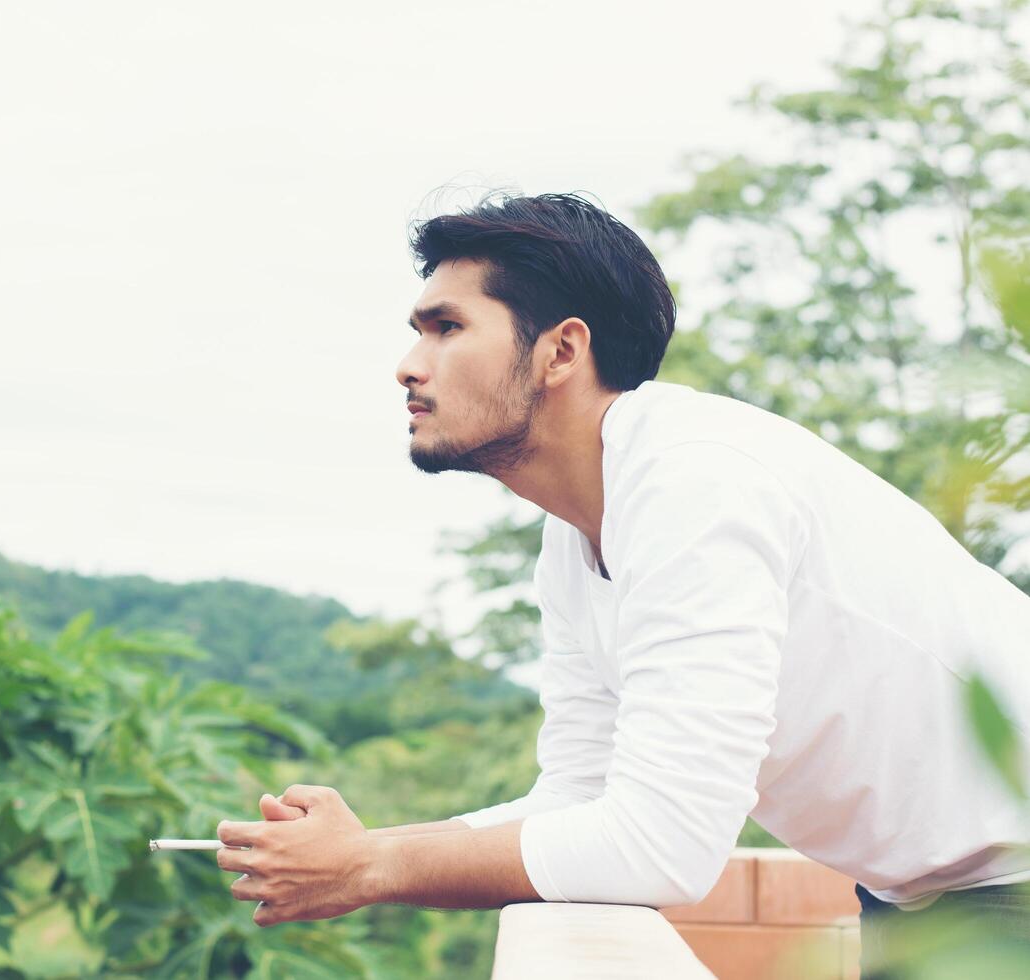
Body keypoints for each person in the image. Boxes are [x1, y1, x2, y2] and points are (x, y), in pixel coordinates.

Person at [213, 192, 1030, 973]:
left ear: (561, 351)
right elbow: (581, 793)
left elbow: (661, 846)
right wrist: (369, 849)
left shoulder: (694, 485)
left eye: (446, 328)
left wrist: (373, 869)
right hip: (927, 895)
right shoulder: (580, 528)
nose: (407, 366)